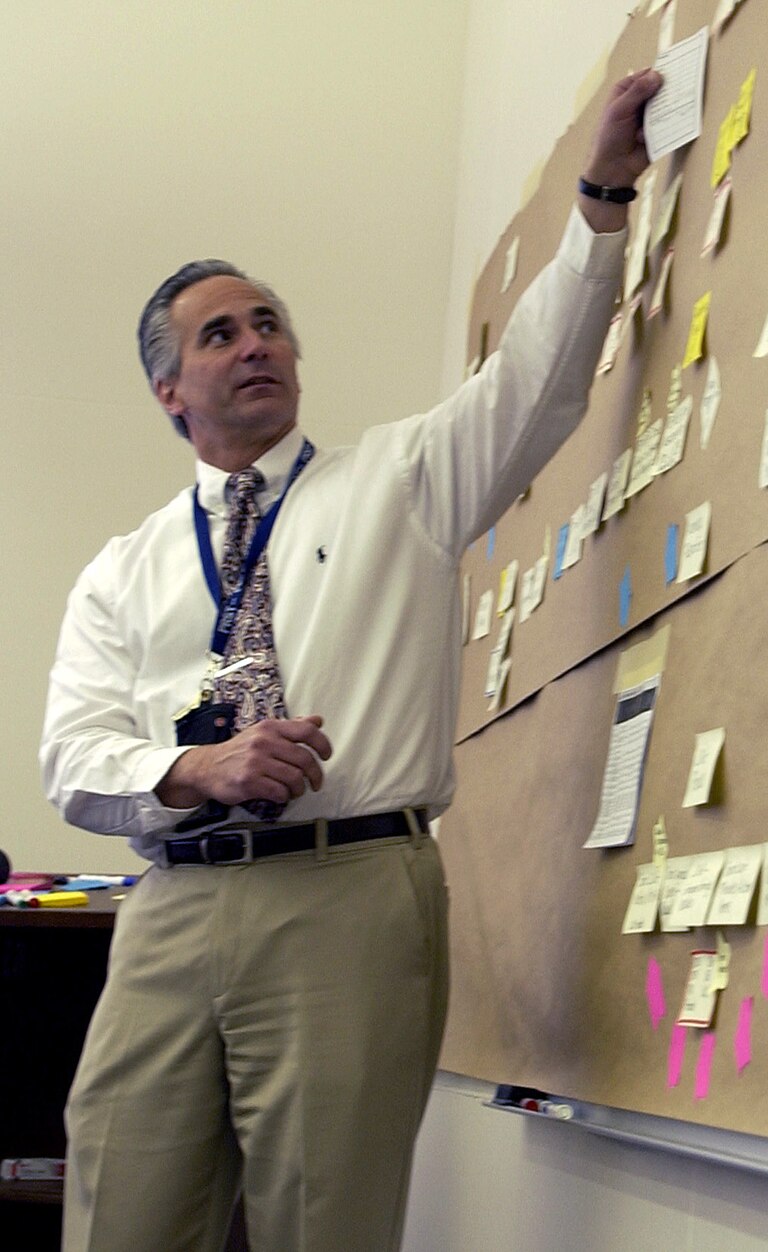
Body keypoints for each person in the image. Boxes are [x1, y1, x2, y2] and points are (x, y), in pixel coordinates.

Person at [39, 67, 664, 1252]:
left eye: (269, 322)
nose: (255, 343)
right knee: (118, 1210)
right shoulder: (122, 570)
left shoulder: (401, 479)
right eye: (218, 334)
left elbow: (534, 379)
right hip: (169, 907)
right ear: (170, 391)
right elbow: (72, 759)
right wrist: (202, 772)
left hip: (348, 892)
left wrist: (597, 198)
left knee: (325, 1224)